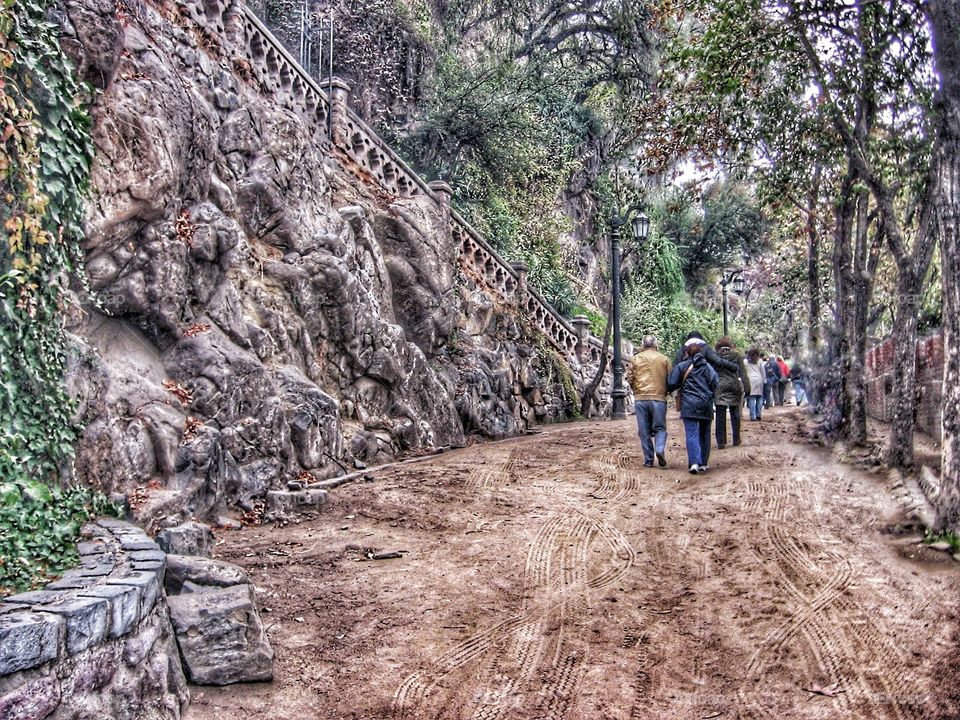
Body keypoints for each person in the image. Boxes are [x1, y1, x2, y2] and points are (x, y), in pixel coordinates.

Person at [668, 337, 719, 474]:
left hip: (689, 404)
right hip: (706, 404)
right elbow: (715, 382)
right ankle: (704, 463)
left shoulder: (682, 366)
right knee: (705, 433)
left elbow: (672, 382)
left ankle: (694, 463)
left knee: (691, 433)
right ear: (701, 352)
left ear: (687, 352)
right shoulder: (708, 367)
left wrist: (679, 387)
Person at [625, 335, 672, 467]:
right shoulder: (664, 359)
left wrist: (635, 389)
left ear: (643, 345)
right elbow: (671, 379)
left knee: (644, 430)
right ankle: (660, 449)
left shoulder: (635, 359)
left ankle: (648, 460)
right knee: (660, 427)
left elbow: (629, 378)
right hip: (659, 398)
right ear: (655, 345)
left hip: (641, 398)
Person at [713, 337, 750, 448]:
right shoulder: (737, 356)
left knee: (720, 414)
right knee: (735, 413)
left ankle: (721, 441)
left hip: (720, 386)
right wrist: (747, 388)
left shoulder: (715, 356)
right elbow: (743, 373)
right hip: (734, 385)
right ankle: (736, 438)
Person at [673, 331, 740, 375]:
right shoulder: (705, 348)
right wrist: (734, 366)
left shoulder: (681, 350)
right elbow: (718, 361)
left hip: (684, 386)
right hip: (702, 383)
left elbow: (674, 369)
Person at [745, 348, 765, 421]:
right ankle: (758, 414)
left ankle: (753, 416)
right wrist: (764, 381)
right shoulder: (760, 361)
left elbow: (744, 372)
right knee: (759, 397)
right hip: (759, 380)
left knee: (751, 398)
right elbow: (763, 372)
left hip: (750, 380)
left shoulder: (746, 362)